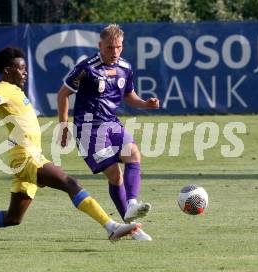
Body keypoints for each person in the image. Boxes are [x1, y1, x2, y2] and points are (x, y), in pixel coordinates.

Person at [0, 47, 139, 246]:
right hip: (26, 156)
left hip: (26, 156)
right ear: (7, 71)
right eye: (21, 68)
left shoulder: (10, 89)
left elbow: (0, 98)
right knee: (71, 184)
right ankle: (111, 227)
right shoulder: (4, 88)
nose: (25, 72)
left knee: (13, 218)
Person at [57, 24, 160, 240]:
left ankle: (132, 204)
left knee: (134, 155)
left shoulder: (125, 67)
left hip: (112, 124)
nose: (114, 52)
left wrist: (145, 104)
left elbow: (129, 96)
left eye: (118, 47)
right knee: (115, 175)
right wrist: (64, 127)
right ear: (100, 46)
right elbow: (63, 94)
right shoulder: (86, 68)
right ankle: (132, 229)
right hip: (88, 130)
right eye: (110, 47)